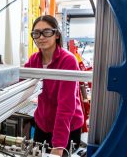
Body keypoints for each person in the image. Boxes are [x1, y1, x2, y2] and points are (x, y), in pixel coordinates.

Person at [24, 15, 84, 156]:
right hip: (43, 125)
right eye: (36, 33)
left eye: (47, 32)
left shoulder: (68, 61)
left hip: (67, 128)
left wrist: (58, 145)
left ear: (56, 34)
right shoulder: (34, 59)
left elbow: (66, 106)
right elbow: (20, 79)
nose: (41, 37)